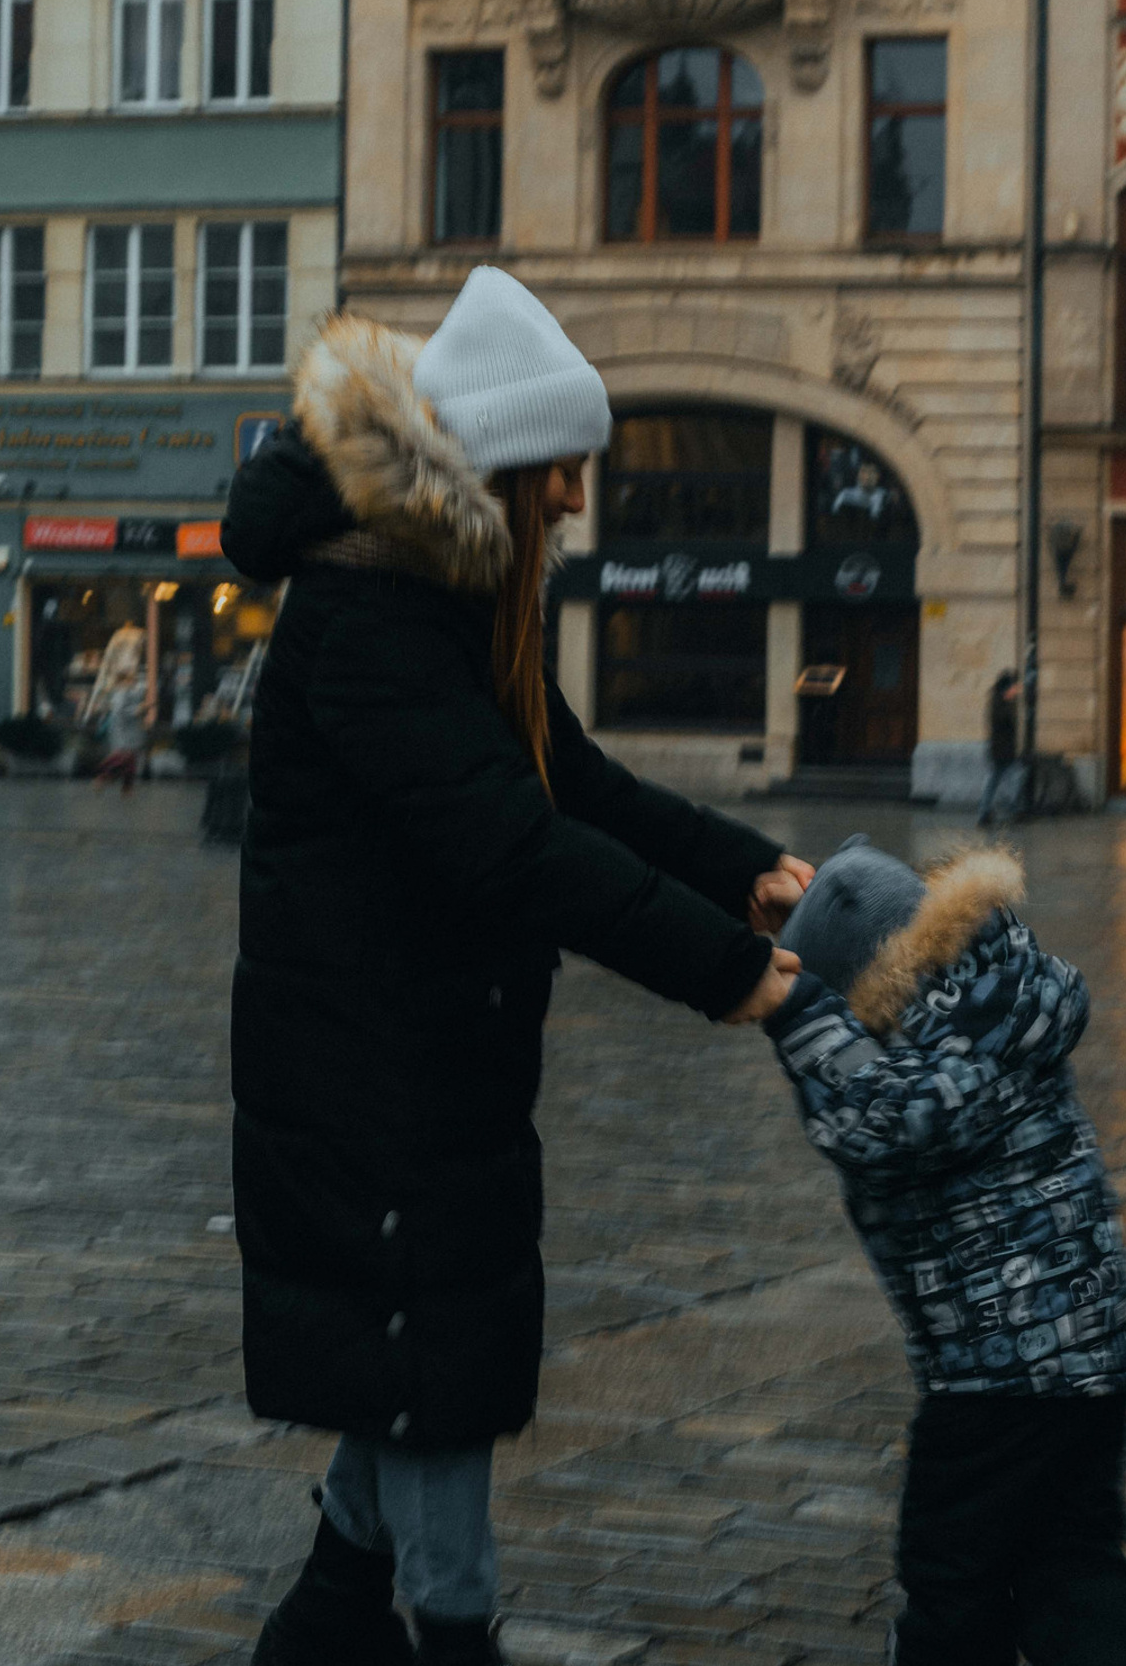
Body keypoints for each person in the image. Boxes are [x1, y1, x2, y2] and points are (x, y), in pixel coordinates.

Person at [221, 266, 812, 1666]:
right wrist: (729, 972)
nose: (576, 500)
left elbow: (574, 784)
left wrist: (745, 871)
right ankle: (457, 1638)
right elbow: (511, 846)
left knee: (414, 1384)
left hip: (426, 1065)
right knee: (435, 1384)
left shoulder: (441, 600)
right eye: (562, 467)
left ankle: (326, 1630)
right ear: (496, 465)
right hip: (371, 1080)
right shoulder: (371, 619)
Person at [763, 837, 1126, 1666]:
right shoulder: (998, 997)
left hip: (994, 1377)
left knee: (953, 1585)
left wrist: (791, 1008)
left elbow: (877, 1120)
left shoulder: (910, 1075)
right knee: (1076, 1566)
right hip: (1093, 1358)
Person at [977, 669, 1023, 826]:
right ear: (1006, 689)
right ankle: (1009, 808)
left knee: (995, 780)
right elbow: (1006, 726)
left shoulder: (1000, 702)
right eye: (1013, 688)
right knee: (1013, 777)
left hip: (1001, 750)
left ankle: (987, 811)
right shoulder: (1001, 705)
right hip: (1001, 751)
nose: (1016, 691)